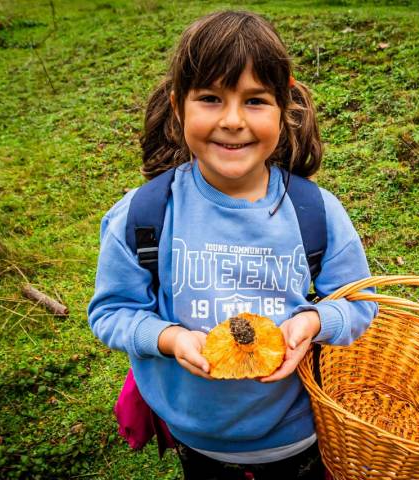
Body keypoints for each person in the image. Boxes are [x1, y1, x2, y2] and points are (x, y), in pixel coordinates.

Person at [88, 10, 377, 480]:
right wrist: (170, 338)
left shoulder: (316, 213)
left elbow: (361, 305)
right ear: (179, 106)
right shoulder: (143, 214)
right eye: (210, 98)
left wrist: (315, 321)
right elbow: (111, 312)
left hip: (297, 435)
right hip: (194, 437)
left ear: (284, 110)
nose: (232, 120)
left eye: (256, 100)